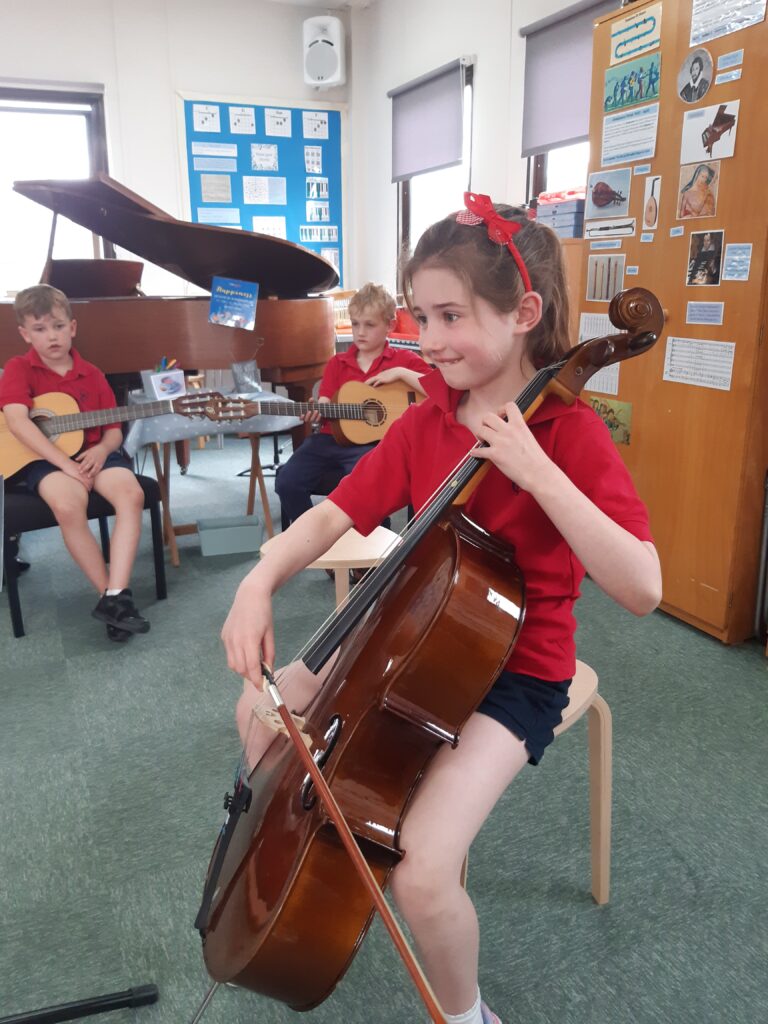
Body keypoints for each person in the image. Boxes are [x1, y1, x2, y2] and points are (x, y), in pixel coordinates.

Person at [221, 194, 662, 1024]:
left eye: (450, 316)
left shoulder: (568, 431)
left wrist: (537, 472)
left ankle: (466, 1015)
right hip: (407, 641)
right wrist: (258, 579)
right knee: (261, 709)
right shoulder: (425, 419)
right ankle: (307, 860)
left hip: (516, 671)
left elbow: (643, 587)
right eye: (421, 315)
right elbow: (333, 513)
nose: (427, 340)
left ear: (524, 312)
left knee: (424, 870)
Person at [0, 284, 150, 642]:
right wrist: (64, 465)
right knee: (69, 504)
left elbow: (113, 429)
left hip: (96, 453)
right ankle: (112, 600)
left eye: (57, 326)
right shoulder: (19, 369)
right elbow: (18, 422)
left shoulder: (93, 374)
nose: (51, 336)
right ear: (25, 333)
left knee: (131, 495)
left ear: (73, 327)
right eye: (39, 329)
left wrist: (101, 452)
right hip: (42, 459)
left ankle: (117, 595)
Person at [274, 281, 429, 527]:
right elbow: (325, 403)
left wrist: (400, 373)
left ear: (390, 325)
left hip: (376, 444)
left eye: (369, 325)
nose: (360, 332)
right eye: (355, 323)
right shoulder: (338, 363)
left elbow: (437, 388)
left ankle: (370, 559)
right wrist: (317, 410)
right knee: (286, 482)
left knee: (366, 489)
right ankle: (322, 545)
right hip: (328, 440)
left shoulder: (404, 360)